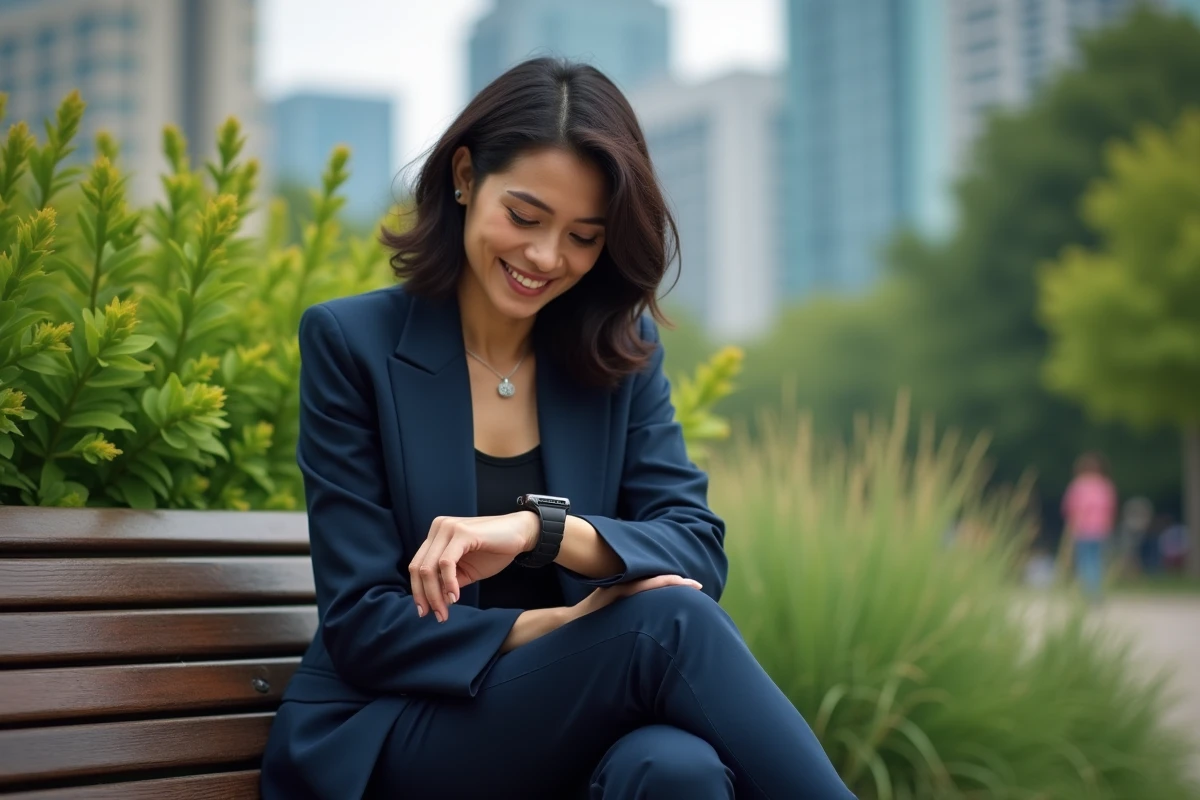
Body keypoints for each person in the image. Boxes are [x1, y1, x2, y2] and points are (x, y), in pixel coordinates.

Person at [259, 58, 856, 800]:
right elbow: (365, 627)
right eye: (525, 216)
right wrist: (568, 624)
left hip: (559, 730)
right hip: (397, 732)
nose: (546, 258)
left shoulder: (617, 354)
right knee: (660, 624)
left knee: (675, 770)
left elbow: (697, 545)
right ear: (466, 176)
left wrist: (537, 533)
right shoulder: (354, 344)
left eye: (583, 236)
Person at [1061, 452, 1118, 603]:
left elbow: (1071, 509)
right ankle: (1096, 592)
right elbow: (1110, 509)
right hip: (1101, 530)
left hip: (1083, 530)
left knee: (1084, 561)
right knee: (1097, 561)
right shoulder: (1105, 485)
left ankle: (1088, 593)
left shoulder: (1078, 486)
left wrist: (1071, 530)